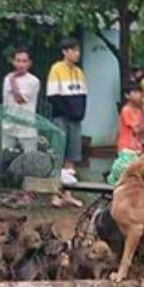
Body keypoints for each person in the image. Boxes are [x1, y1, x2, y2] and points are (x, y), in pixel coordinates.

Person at [46, 36, 88, 188]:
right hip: (62, 117)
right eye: (74, 50)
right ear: (65, 52)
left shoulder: (79, 72)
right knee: (59, 153)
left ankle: (68, 191)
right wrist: (68, 112)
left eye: (78, 50)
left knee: (73, 154)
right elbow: (52, 96)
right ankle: (55, 192)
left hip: (76, 119)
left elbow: (83, 95)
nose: (77, 54)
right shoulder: (56, 69)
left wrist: (80, 113)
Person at [0, 47, 42, 153]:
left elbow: (20, 99)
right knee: (6, 157)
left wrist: (13, 80)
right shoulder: (7, 78)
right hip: (8, 126)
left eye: (24, 61)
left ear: (29, 63)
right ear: (13, 62)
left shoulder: (33, 81)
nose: (21, 64)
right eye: (18, 61)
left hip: (26, 127)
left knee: (29, 159)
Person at [116, 80, 144, 155]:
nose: (138, 95)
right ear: (127, 95)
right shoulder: (126, 110)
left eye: (139, 92)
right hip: (126, 148)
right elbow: (136, 129)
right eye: (135, 92)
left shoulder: (139, 111)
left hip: (137, 147)